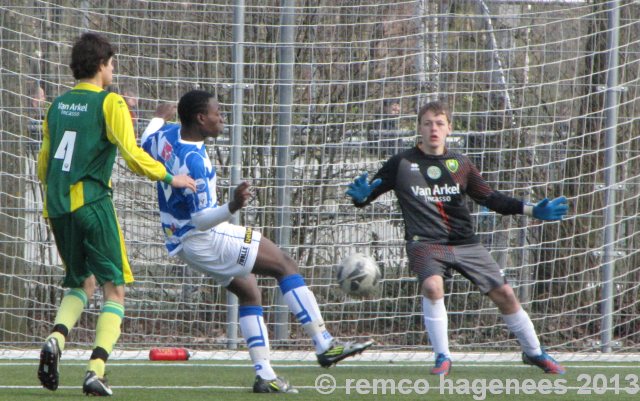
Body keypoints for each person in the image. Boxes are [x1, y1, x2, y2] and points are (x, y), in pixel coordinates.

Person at [140, 90, 373, 394]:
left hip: (180, 241)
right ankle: (324, 344)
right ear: (200, 118)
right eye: (217, 112)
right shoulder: (195, 161)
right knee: (285, 264)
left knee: (249, 290)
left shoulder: (167, 135)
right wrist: (232, 206)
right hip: (202, 236)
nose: (221, 117)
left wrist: (159, 115)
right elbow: (201, 219)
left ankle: (265, 375)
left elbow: (144, 142)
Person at [346, 100, 568, 376]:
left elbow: (490, 198)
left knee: (506, 294)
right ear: (419, 128)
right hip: (424, 243)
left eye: (439, 123)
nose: (433, 129)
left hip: (465, 243)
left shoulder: (461, 164)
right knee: (432, 287)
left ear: (449, 128)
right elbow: (368, 193)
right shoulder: (401, 163)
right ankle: (443, 357)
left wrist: (532, 209)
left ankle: (534, 352)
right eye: (427, 123)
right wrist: (360, 197)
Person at [36, 33, 196, 396]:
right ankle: (95, 370)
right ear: (101, 65)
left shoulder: (56, 105)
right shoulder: (110, 103)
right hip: (92, 203)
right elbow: (133, 156)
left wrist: (56, 199)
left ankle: (55, 341)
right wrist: (173, 176)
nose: (113, 71)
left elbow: (43, 162)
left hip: (58, 207)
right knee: (116, 290)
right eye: (112, 65)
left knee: (81, 283)